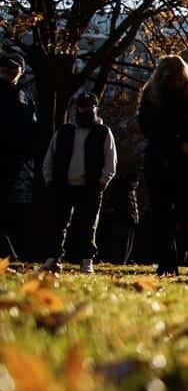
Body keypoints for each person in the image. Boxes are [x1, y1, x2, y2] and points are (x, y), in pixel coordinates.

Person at [138, 55, 188, 275]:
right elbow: (152, 128)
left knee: (174, 213)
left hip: (169, 160)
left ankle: (177, 262)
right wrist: (185, 145)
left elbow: (151, 129)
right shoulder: (185, 96)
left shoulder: (156, 96)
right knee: (175, 213)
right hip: (172, 160)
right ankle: (185, 262)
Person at [41, 92, 117, 273]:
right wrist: (49, 178)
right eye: (83, 106)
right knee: (58, 223)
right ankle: (53, 258)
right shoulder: (64, 131)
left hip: (91, 185)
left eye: (90, 106)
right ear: (77, 108)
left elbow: (110, 158)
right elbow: (50, 156)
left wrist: (104, 180)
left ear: (96, 108)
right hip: (62, 184)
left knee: (88, 224)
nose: (86, 109)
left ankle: (86, 261)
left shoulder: (103, 132)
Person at [0, 53, 35, 260]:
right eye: (5, 67)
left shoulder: (25, 96)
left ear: (21, 71)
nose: (8, 71)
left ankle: (7, 253)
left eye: (13, 68)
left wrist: (27, 153)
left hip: (13, 159)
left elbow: (32, 127)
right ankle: (7, 253)